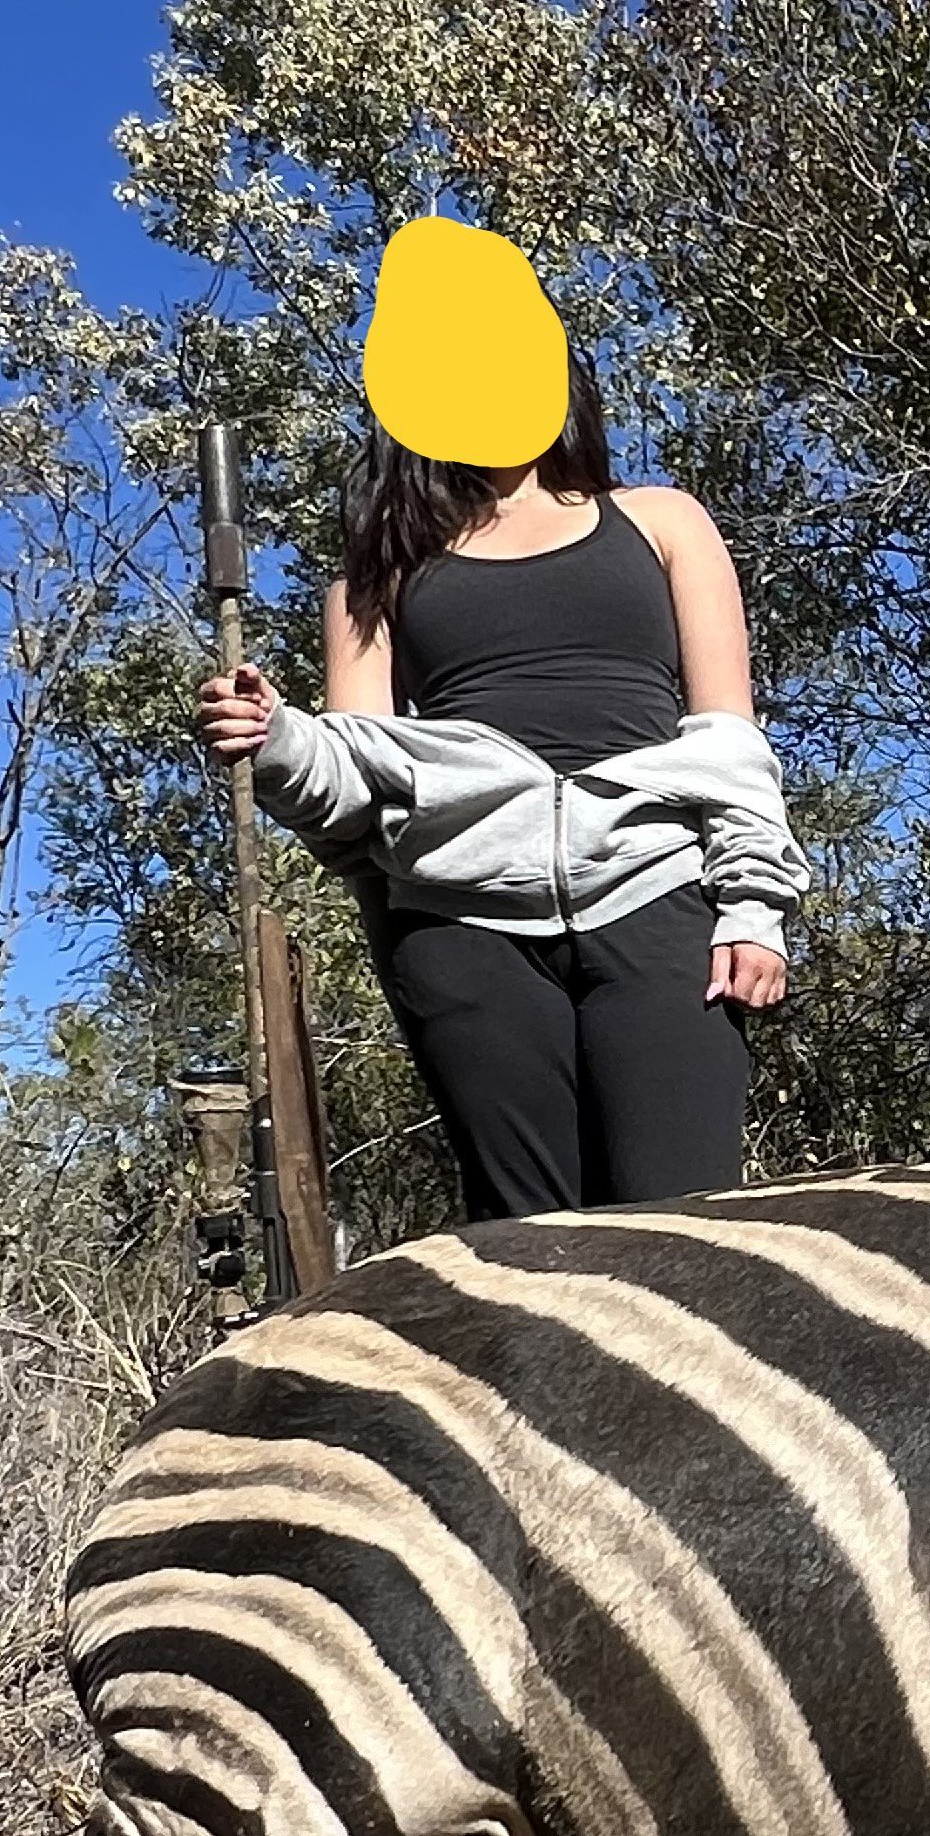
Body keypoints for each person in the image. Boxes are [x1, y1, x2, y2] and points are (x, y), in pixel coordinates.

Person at [191, 346, 806, 1218]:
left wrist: (753, 909)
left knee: (688, 1231)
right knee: (526, 1242)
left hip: (659, 896)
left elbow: (728, 741)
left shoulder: (662, 521)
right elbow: (357, 777)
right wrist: (276, 736)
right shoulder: (378, 575)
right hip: (459, 927)